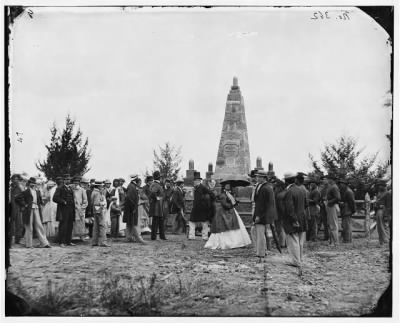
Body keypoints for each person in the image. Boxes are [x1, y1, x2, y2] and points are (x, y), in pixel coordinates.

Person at [205, 182, 251, 250]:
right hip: (225, 213)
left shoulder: (229, 194)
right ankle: (228, 243)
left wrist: (235, 202)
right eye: (227, 185)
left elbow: (231, 202)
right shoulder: (223, 195)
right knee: (226, 227)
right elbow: (225, 205)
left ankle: (236, 242)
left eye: (229, 185)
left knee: (234, 227)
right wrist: (232, 205)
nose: (228, 187)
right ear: (224, 187)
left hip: (231, 212)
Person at [282, 172, 308, 275]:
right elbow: (305, 204)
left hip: (293, 219)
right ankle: (299, 258)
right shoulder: (301, 189)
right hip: (302, 217)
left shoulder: (289, 191)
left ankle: (295, 260)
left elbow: (290, 208)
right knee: (300, 240)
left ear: (286, 180)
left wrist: (293, 219)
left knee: (293, 240)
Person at [15, 177, 51, 248]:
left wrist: (43, 202)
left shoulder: (37, 191)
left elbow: (40, 200)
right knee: (29, 226)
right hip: (28, 210)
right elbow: (17, 198)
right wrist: (24, 204)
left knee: (39, 225)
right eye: (31, 183)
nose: (32, 184)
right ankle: (29, 244)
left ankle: (44, 243)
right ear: (29, 183)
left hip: (36, 209)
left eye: (34, 183)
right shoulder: (26, 191)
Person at [251, 170, 278, 262]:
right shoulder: (261, 186)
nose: (257, 178)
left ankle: (261, 253)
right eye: (257, 176)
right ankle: (262, 251)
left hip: (262, 214)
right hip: (261, 214)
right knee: (257, 232)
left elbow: (263, 204)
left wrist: (258, 216)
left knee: (260, 234)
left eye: (259, 176)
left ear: (264, 178)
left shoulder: (266, 188)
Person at [188, 172, 213, 241]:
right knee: (191, 221)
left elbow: (211, 194)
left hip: (202, 208)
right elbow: (192, 197)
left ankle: (205, 236)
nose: (194, 182)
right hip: (195, 207)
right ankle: (191, 236)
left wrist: (208, 202)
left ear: (198, 181)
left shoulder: (203, 187)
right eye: (194, 180)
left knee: (204, 223)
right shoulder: (194, 188)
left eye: (195, 180)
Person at [53, 174, 76, 247]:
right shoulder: (60, 188)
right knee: (63, 225)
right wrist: (63, 201)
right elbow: (55, 198)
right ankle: (61, 242)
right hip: (63, 209)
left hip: (71, 209)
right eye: (66, 179)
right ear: (64, 180)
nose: (68, 180)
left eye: (69, 179)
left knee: (70, 225)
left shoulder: (70, 188)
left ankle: (68, 241)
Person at [124, 175, 146, 243]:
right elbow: (129, 198)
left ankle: (129, 237)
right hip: (131, 208)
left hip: (129, 208)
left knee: (129, 223)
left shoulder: (131, 186)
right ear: (135, 179)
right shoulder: (132, 187)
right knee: (133, 223)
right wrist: (133, 207)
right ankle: (138, 237)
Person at [91, 181, 109, 247]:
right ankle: (103, 242)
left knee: (96, 226)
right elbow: (97, 203)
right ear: (98, 186)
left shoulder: (94, 192)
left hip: (96, 210)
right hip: (99, 210)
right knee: (102, 226)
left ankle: (95, 241)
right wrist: (101, 208)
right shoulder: (97, 193)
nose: (102, 187)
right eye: (101, 186)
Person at [150, 171, 167, 240]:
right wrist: (158, 198)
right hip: (157, 205)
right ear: (159, 178)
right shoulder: (156, 185)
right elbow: (153, 193)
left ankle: (161, 236)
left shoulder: (157, 184)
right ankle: (154, 237)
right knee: (156, 221)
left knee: (160, 221)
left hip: (159, 205)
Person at [325, 173, 341, 247]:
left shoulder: (334, 187)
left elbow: (338, 198)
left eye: (328, 178)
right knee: (331, 224)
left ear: (332, 179)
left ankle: (335, 242)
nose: (327, 180)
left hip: (332, 206)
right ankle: (332, 242)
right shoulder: (331, 187)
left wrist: (329, 202)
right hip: (330, 206)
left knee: (333, 224)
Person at [374, 179, 392, 246]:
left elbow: (388, 206)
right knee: (379, 227)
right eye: (378, 185)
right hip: (378, 211)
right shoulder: (379, 192)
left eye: (380, 185)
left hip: (384, 211)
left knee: (384, 226)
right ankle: (381, 241)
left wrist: (386, 215)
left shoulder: (388, 193)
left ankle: (386, 241)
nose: (379, 187)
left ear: (383, 186)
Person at [338, 178, 355, 243]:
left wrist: (352, 210)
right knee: (345, 225)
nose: (340, 185)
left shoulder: (348, 192)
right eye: (340, 184)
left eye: (341, 184)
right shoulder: (344, 191)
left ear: (345, 184)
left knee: (346, 226)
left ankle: (347, 240)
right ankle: (347, 239)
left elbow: (352, 202)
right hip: (345, 210)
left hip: (347, 210)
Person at [9, 174, 25, 245]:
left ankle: (17, 239)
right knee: (11, 224)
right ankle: (10, 239)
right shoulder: (10, 187)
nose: (15, 180)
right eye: (14, 179)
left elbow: (22, 198)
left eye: (17, 179)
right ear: (12, 180)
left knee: (19, 224)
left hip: (18, 207)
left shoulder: (20, 188)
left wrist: (22, 205)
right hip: (10, 207)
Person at [71, 176, 88, 241]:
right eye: (75, 181)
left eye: (77, 181)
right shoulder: (71, 189)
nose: (76, 183)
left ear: (79, 182)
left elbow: (85, 201)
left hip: (80, 209)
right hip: (72, 208)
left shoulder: (82, 190)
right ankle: (73, 236)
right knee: (73, 222)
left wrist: (82, 208)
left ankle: (81, 236)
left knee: (81, 222)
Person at [274, 179, 287, 248]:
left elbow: (281, 206)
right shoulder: (286, 192)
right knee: (283, 228)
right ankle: (284, 242)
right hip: (284, 214)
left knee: (280, 229)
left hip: (280, 214)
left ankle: (282, 243)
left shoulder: (279, 195)